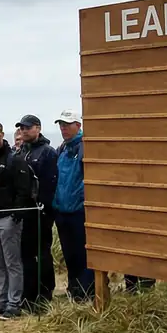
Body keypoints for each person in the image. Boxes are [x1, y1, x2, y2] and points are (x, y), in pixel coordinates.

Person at [0, 121, 37, 319]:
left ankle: (14, 304)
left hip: (8, 219)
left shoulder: (14, 159)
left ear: (1, 134)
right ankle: (0, 301)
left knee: (12, 263)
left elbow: (23, 190)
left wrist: (16, 215)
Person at [15, 115, 59, 311]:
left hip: (41, 211)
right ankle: (29, 293)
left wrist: (43, 206)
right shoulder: (22, 151)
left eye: (28, 127)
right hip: (24, 211)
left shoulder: (47, 152)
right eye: (22, 128)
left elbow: (50, 183)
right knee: (26, 254)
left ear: (38, 128)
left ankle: (44, 293)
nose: (24, 131)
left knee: (41, 253)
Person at [53, 111, 92, 301]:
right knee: (70, 255)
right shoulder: (62, 149)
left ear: (78, 125)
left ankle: (86, 292)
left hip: (79, 211)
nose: (63, 128)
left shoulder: (86, 146)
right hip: (62, 211)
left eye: (67, 124)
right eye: (61, 125)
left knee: (83, 254)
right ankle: (74, 290)